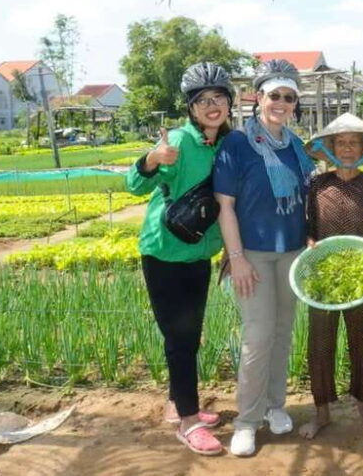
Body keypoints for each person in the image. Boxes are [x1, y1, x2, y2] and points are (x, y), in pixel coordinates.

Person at [125, 62, 232, 456]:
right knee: (180, 338)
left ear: (229, 103)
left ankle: (178, 403)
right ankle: (188, 422)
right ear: (190, 107)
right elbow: (135, 186)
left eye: (219, 97)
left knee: (190, 335)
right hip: (165, 252)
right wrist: (153, 159)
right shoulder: (180, 142)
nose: (212, 105)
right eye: (203, 100)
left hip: (199, 253)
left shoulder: (226, 144)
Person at [213, 59, 315, 457]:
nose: (282, 103)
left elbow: (306, 199)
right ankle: (246, 420)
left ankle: (275, 405)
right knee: (256, 338)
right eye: (275, 95)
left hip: (290, 251)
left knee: (282, 333)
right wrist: (235, 258)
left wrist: (309, 237)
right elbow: (225, 206)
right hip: (252, 254)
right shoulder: (237, 144)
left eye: (289, 97)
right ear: (259, 98)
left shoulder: (296, 146)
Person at [297, 113, 363, 440]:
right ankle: (321, 411)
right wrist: (310, 242)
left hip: (362, 277)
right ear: (331, 148)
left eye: (354, 142)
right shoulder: (318, 185)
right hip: (324, 277)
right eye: (341, 142)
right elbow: (308, 228)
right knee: (320, 343)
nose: (348, 148)